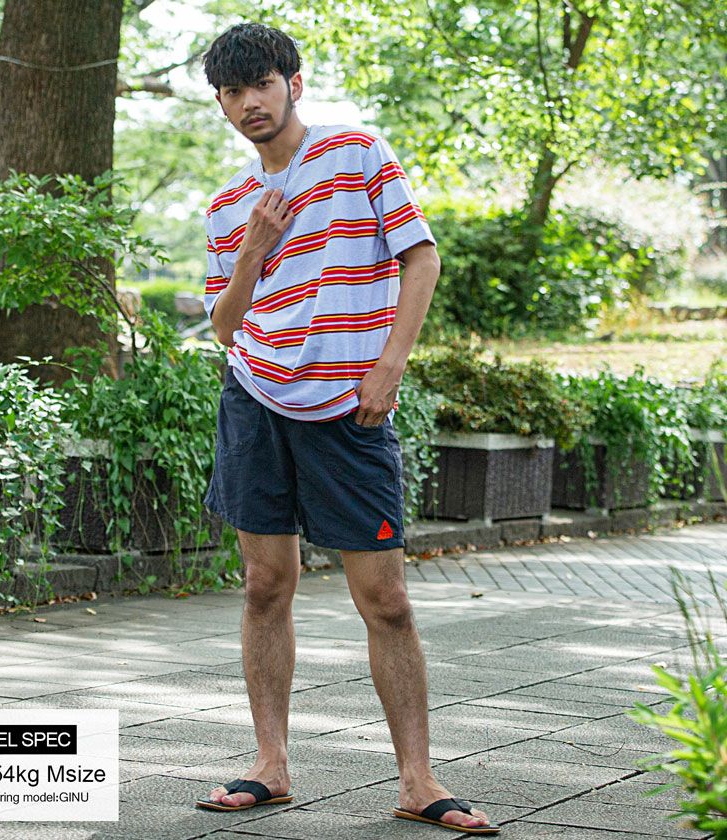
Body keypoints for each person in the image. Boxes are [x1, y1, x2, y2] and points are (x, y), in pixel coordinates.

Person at [193, 22, 500, 835]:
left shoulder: (357, 153)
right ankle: (271, 764)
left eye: (261, 83)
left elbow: (420, 257)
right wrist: (255, 248)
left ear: (293, 83)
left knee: (386, 599)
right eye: (232, 91)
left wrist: (390, 365)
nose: (249, 103)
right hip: (255, 398)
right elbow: (225, 325)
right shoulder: (225, 205)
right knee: (264, 586)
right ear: (220, 103)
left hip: (349, 408)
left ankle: (418, 781)